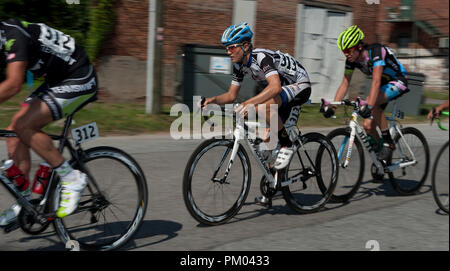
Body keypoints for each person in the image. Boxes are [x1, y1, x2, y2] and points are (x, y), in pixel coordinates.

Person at [199, 22, 312, 204]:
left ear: (245, 46)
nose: (228, 51)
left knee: (261, 107)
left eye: (231, 47)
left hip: (299, 85)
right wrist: (211, 101)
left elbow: (275, 86)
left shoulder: (261, 58)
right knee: (265, 144)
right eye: (226, 48)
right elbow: (231, 95)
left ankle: (287, 144)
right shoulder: (239, 65)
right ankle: (274, 182)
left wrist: (248, 103)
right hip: (280, 94)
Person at [0, 18, 98, 226]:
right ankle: (24, 202)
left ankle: (72, 178)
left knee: (24, 126)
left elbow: (13, 84)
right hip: (56, 80)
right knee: (12, 135)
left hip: (79, 76)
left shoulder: (12, 35)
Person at [324, 25, 409, 163]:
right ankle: (383, 160)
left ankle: (388, 142)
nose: (346, 54)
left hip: (398, 80)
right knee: (368, 126)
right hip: (383, 84)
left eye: (348, 50)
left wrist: (369, 106)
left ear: (358, 46)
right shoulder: (351, 61)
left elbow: (375, 81)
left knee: (372, 103)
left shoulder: (376, 51)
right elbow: (345, 84)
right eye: (343, 51)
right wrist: (333, 107)